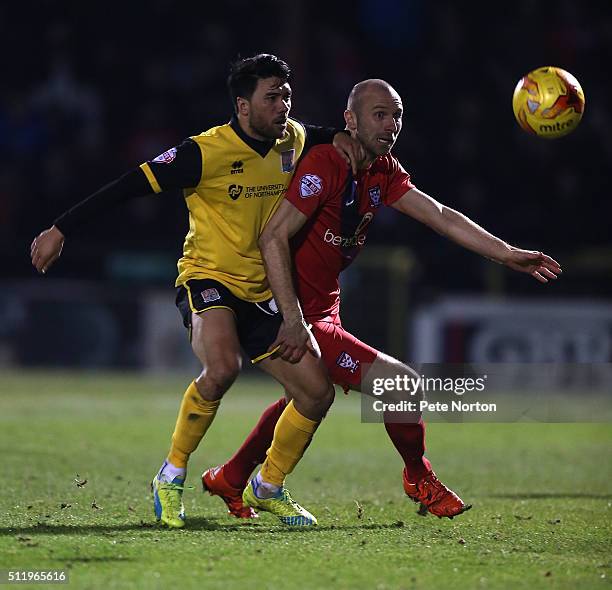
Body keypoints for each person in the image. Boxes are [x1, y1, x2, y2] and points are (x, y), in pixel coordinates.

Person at [201, 79, 563, 520]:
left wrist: (507, 254)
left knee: (306, 397)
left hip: (325, 311)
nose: (391, 125)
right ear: (350, 120)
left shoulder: (382, 171)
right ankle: (417, 476)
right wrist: (292, 317)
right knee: (402, 386)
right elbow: (272, 236)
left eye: (397, 116)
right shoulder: (324, 164)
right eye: (379, 114)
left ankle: (234, 477)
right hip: (295, 314)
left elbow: (441, 217)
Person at [30, 54, 364, 528]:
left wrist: (344, 136)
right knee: (223, 366)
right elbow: (128, 185)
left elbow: (324, 130)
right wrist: (60, 228)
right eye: (272, 97)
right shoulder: (204, 151)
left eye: (287, 96)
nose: (283, 106)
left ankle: (268, 486)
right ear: (243, 106)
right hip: (208, 278)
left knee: (316, 392)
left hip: (264, 289)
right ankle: (171, 473)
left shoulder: (294, 138)